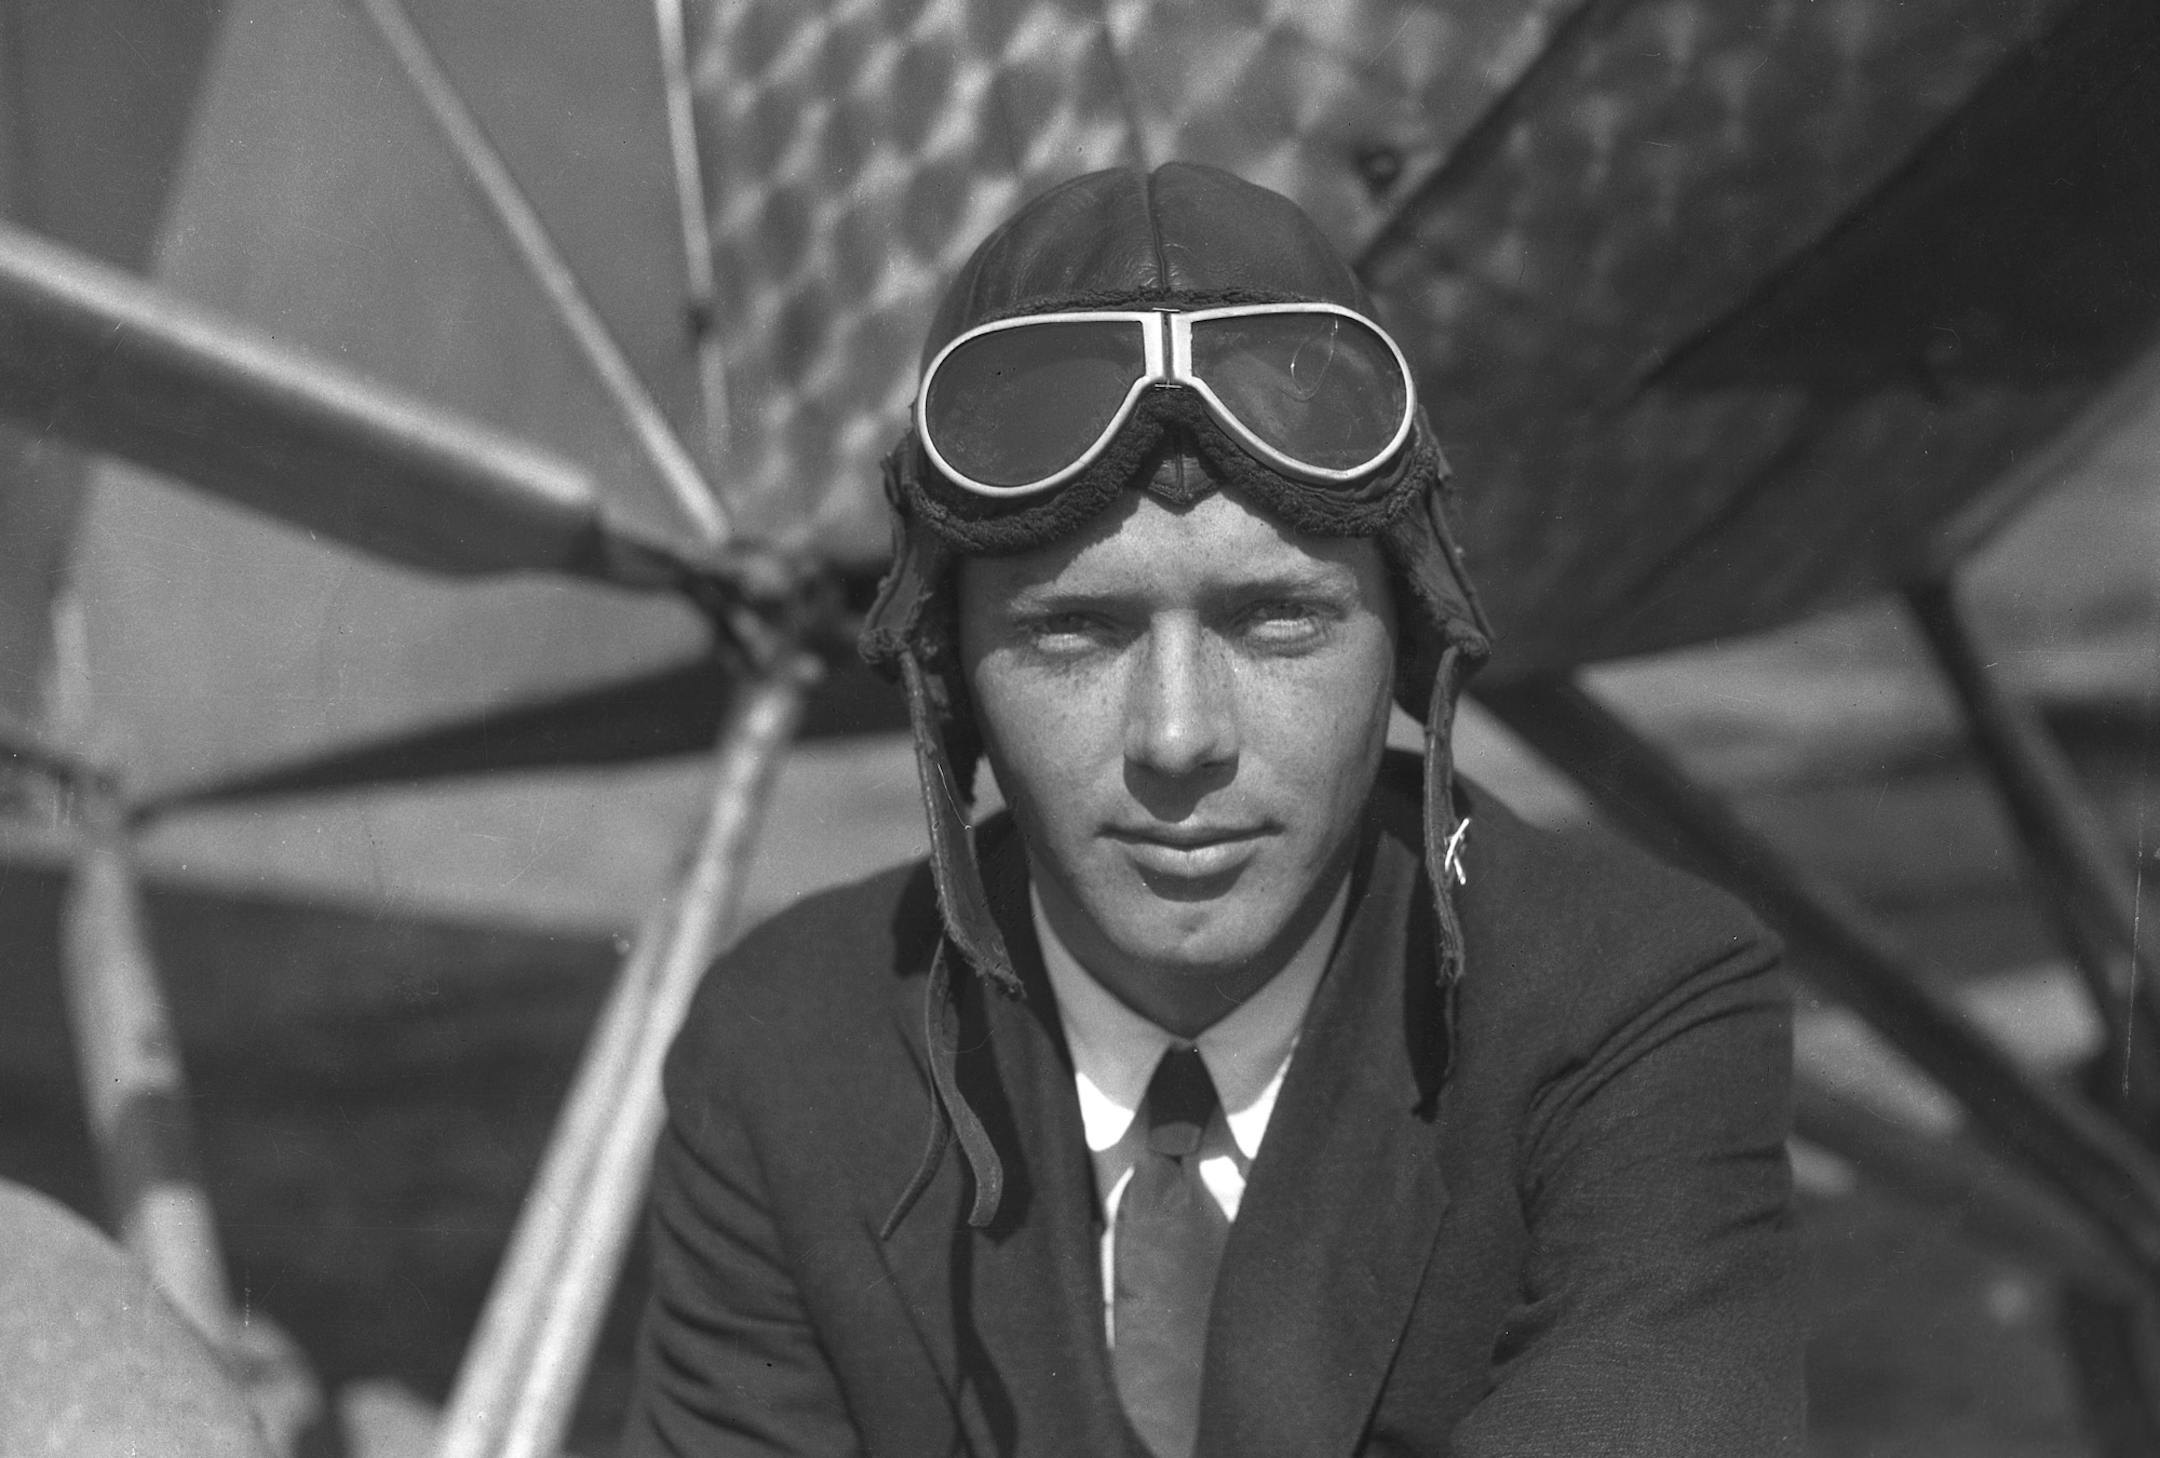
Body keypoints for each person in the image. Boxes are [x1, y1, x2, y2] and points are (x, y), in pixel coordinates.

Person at [625, 162, 1802, 1457]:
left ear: (1403, 642)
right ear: (951, 674)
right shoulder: (787, 1054)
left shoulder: (1636, 1002)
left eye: (1277, 618)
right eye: (1074, 630)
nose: (1179, 736)